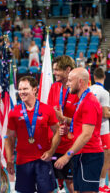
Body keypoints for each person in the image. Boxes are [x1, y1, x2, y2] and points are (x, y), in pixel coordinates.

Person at [5, 76, 60, 193]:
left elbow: (57, 132)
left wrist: (51, 151)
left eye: (25, 89)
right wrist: (9, 159)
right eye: (19, 89)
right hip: (23, 161)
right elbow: (9, 138)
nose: (21, 92)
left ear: (35, 89)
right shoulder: (14, 112)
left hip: (43, 160)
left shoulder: (47, 110)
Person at [54, 67, 104, 193]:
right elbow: (81, 124)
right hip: (82, 155)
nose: (67, 83)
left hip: (89, 155)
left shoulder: (89, 102)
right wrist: (64, 119)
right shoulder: (83, 101)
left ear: (80, 82)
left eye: (70, 80)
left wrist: (67, 156)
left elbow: (87, 134)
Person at [47, 55, 79, 193]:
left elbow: (83, 122)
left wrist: (64, 119)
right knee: (54, 182)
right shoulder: (54, 87)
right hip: (55, 144)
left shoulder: (78, 91)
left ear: (68, 70)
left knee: (71, 183)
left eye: (57, 70)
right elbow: (49, 113)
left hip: (73, 145)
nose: (54, 73)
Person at [89, 68, 110, 191]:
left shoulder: (88, 90)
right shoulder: (104, 92)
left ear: (94, 77)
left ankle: (95, 183)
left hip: (90, 129)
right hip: (103, 130)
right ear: (104, 77)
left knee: (92, 157)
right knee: (106, 157)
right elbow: (105, 114)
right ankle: (101, 185)